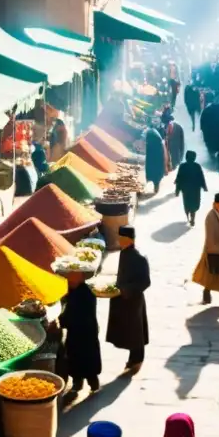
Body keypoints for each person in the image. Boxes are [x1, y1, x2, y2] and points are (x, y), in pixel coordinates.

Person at [54, 260, 102, 396]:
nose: (69, 278)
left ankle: (93, 383)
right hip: (74, 333)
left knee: (88, 359)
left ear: (81, 277)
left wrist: (61, 321)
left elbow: (75, 315)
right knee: (74, 358)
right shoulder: (71, 291)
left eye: (73, 275)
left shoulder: (86, 294)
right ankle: (77, 383)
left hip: (86, 332)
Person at [107, 226, 151, 371]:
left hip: (133, 300)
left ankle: (137, 359)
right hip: (122, 298)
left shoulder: (139, 258)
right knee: (128, 331)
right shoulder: (124, 253)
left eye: (122, 238)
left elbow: (145, 282)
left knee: (136, 332)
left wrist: (126, 290)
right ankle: (133, 358)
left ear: (130, 240)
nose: (120, 241)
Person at [175, 150, 208, 226]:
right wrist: (204, 187)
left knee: (187, 203)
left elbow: (179, 178)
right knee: (195, 203)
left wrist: (177, 190)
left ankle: (188, 215)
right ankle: (192, 217)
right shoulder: (197, 166)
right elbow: (201, 177)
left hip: (185, 189)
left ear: (186, 157)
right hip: (195, 189)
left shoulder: (182, 166)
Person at [144, 124, 166, 194]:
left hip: (151, 157)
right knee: (157, 176)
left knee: (150, 172)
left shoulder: (148, 133)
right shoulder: (157, 135)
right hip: (158, 157)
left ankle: (153, 186)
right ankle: (156, 187)